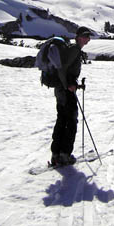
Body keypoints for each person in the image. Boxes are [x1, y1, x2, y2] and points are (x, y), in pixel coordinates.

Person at [46, 26, 92, 166]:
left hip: (62, 90)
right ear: (77, 37)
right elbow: (62, 69)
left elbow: (66, 71)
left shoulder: (73, 49)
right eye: (85, 36)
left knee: (62, 120)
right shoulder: (74, 50)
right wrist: (68, 86)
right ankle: (64, 154)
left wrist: (73, 85)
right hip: (65, 91)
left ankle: (56, 154)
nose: (87, 39)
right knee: (70, 122)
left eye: (88, 36)